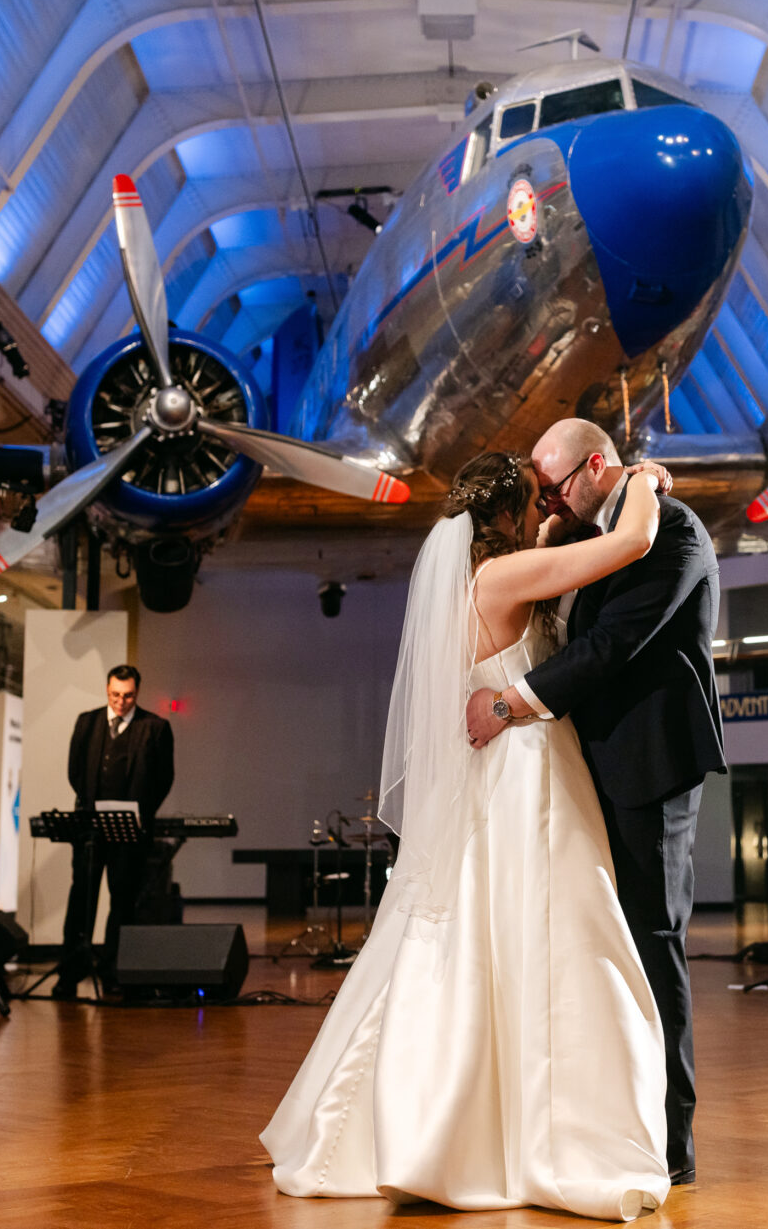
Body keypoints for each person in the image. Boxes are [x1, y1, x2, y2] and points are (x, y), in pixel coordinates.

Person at [263, 448, 674, 1220]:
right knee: (553, 936)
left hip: (507, 768)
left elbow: (551, 561)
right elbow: (629, 545)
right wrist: (646, 480)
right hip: (528, 776)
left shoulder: (485, 578)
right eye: (533, 500)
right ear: (505, 515)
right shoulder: (499, 580)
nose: (544, 506)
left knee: (485, 940)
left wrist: (552, 524)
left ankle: (458, 1118)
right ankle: (528, 1132)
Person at [467, 418, 725, 1188]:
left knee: (651, 942)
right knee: (594, 950)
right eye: (536, 494)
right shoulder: (590, 526)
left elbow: (610, 646)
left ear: (594, 465)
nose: (547, 501)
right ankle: (602, 1113)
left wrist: (510, 704)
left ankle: (671, 1140)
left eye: (555, 485)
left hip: (650, 768)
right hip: (584, 769)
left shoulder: (670, 530)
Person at [55, 664, 174, 999]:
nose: (121, 702)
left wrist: (139, 812)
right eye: (115, 695)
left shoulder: (155, 727)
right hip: (91, 830)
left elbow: (164, 778)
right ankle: (70, 973)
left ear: (137, 693)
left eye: (128, 696)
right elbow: (74, 770)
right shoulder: (88, 722)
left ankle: (112, 973)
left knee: (122, 903)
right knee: (82, 900)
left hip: (130, 832)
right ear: (106, 690)